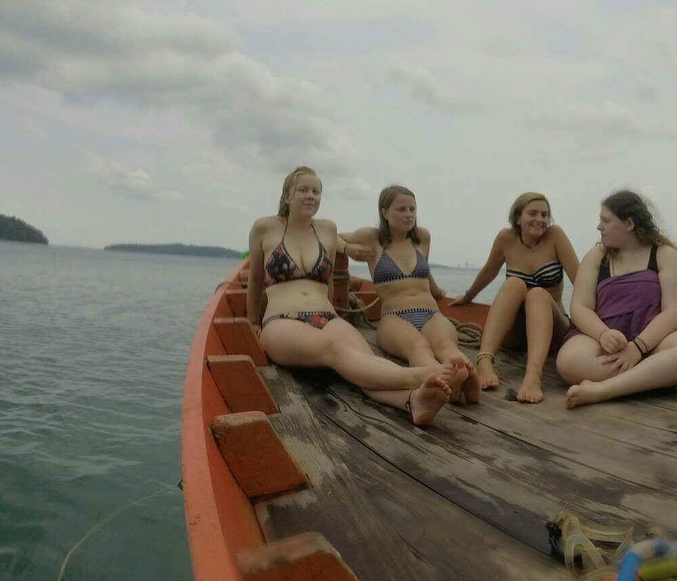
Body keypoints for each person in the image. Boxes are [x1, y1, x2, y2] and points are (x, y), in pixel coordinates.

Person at [247, 167, 459, 426]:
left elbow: (331, 275)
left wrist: (338, 310)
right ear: (287, 195)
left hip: (327, 316)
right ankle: (418, 376)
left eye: (316, 191)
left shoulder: (326, 229)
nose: (310, 196)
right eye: (303, 190)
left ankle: (412, 400)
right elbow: (256, 279)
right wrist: (253, 321)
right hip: (281, 321)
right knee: (335, 349)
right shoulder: (264, 227)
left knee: (365, 362)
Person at [555, 189, 677, 408]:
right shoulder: (597, 256)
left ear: (629, 224)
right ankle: (663, 377)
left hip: (651, 341)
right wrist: (603, 334)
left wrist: (638, 347)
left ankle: (602, 390)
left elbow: (673, 311)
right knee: (568, 362)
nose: (599, 227)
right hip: (604, 340)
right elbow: (580, 307)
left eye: (606, 220)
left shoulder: (663, 254)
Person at [339, 186, 481, 404]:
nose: (409, 214)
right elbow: (331, 237)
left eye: (412, 209)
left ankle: (463, 374)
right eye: (401, 209)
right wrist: (347, 249)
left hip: (430, 311)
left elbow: (424, 273)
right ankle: (446, 381)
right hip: (394, 317)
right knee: (418, 347)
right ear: (385, 212)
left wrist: (436, 290)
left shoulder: (422, 238)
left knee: (446, 346)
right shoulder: (372, 238)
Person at [451, 192, 579, 403]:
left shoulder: (555, 236)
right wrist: (468, 296)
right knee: (513, 284)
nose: (540, 219)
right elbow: (489, 272)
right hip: (517, 334)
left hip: (553, 330)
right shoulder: (506, 239)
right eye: (533, 213)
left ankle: (532, 375)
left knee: (537, 294)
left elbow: (580, 280)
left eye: (545, 214)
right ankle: (484, 361)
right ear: (518, 217)